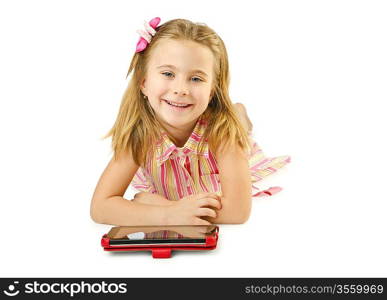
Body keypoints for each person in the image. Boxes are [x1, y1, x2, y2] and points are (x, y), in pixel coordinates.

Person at [90, 18, 290, 227]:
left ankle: (238, 114)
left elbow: (238, 211)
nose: (180, 89)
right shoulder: (139, 133)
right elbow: (100, 207)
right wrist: (170, 214)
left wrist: (162, 206)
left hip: (223, 138)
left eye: (196, 79)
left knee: (239, 129)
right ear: (144, 82)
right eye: (168, 74)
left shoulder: (224, 132)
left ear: (212, 91)